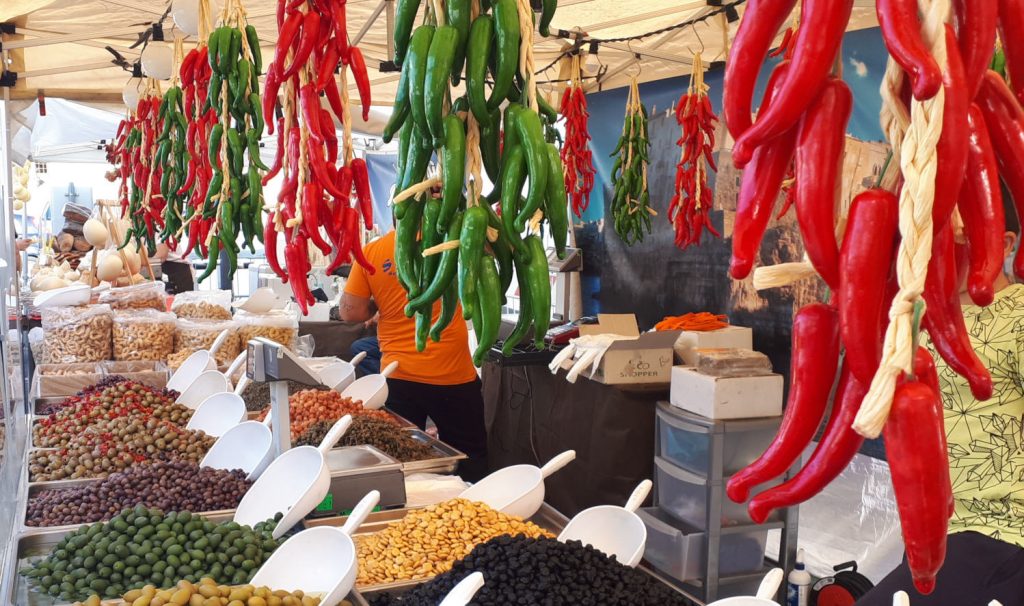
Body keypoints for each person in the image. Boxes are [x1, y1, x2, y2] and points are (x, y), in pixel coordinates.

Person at [857, 202, 1024, 605]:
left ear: (1004, 244)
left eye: (959, 241)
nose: (941, 256)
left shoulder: (1018, 315)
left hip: (1000, 529)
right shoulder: (920, 316)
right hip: (935, 529)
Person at [340, 230, 488, 481]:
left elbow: (350, 312)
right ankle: (473, 512)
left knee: (402, 460)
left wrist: (382, 303)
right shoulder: (457, 239)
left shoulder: (374, 251)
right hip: (453, 375)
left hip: (398, 376)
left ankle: (411, 513)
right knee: (469, 461)